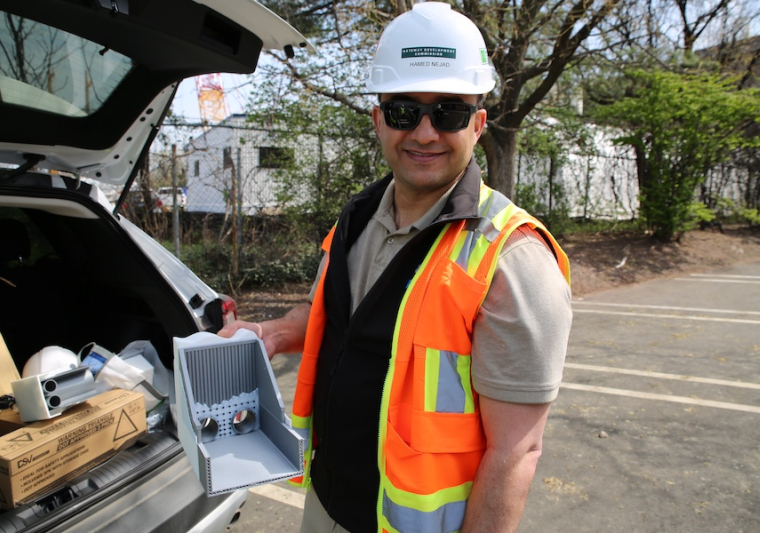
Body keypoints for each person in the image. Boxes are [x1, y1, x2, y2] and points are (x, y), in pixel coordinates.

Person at [219, 3, 572, 532]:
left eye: (449, 113)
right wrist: (270, 334)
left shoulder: (513, 259)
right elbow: (326, 315)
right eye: (405, 111)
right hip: (326, 501)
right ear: (378, 120)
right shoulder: (357, 218)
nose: (425, 133)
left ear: (477, 125)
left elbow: (516, 452)